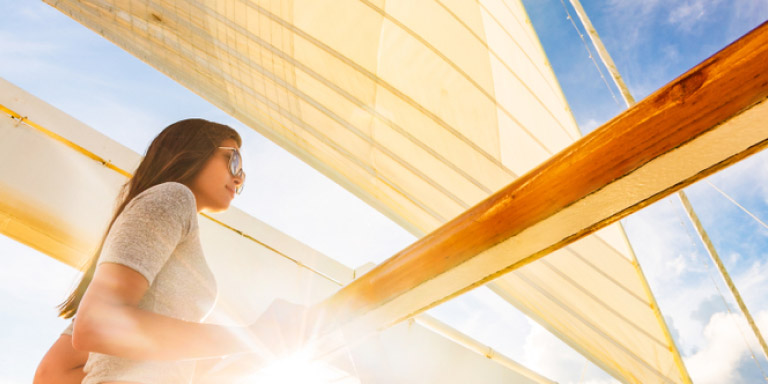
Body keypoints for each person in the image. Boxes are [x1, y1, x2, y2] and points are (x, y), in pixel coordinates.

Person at [33, 118, 307, 384]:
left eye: (242, 175)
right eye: (233, 161)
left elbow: (53, 373)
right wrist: (252, 336)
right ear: (192, 151)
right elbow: (96, 325)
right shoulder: (173, 197)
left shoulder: (163, 212)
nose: (237, 179)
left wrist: (254, 345)